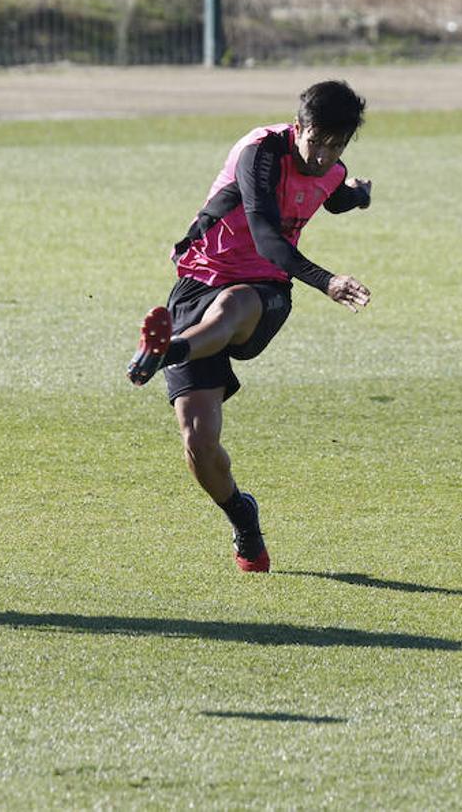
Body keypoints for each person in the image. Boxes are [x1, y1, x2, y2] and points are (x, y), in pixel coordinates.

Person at [126, 80, 373, 573]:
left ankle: (166, 351)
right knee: (199, 442)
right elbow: (265, 233)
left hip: (264, 291)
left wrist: (358, 195)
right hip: (198, 282)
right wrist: (327, 280)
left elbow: (332, 192)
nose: (324, 156)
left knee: (233, 307)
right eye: (317, 141)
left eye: (337, 146)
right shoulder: (260, 152)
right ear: (299, 127)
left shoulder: (332, 168)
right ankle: (242, 515)